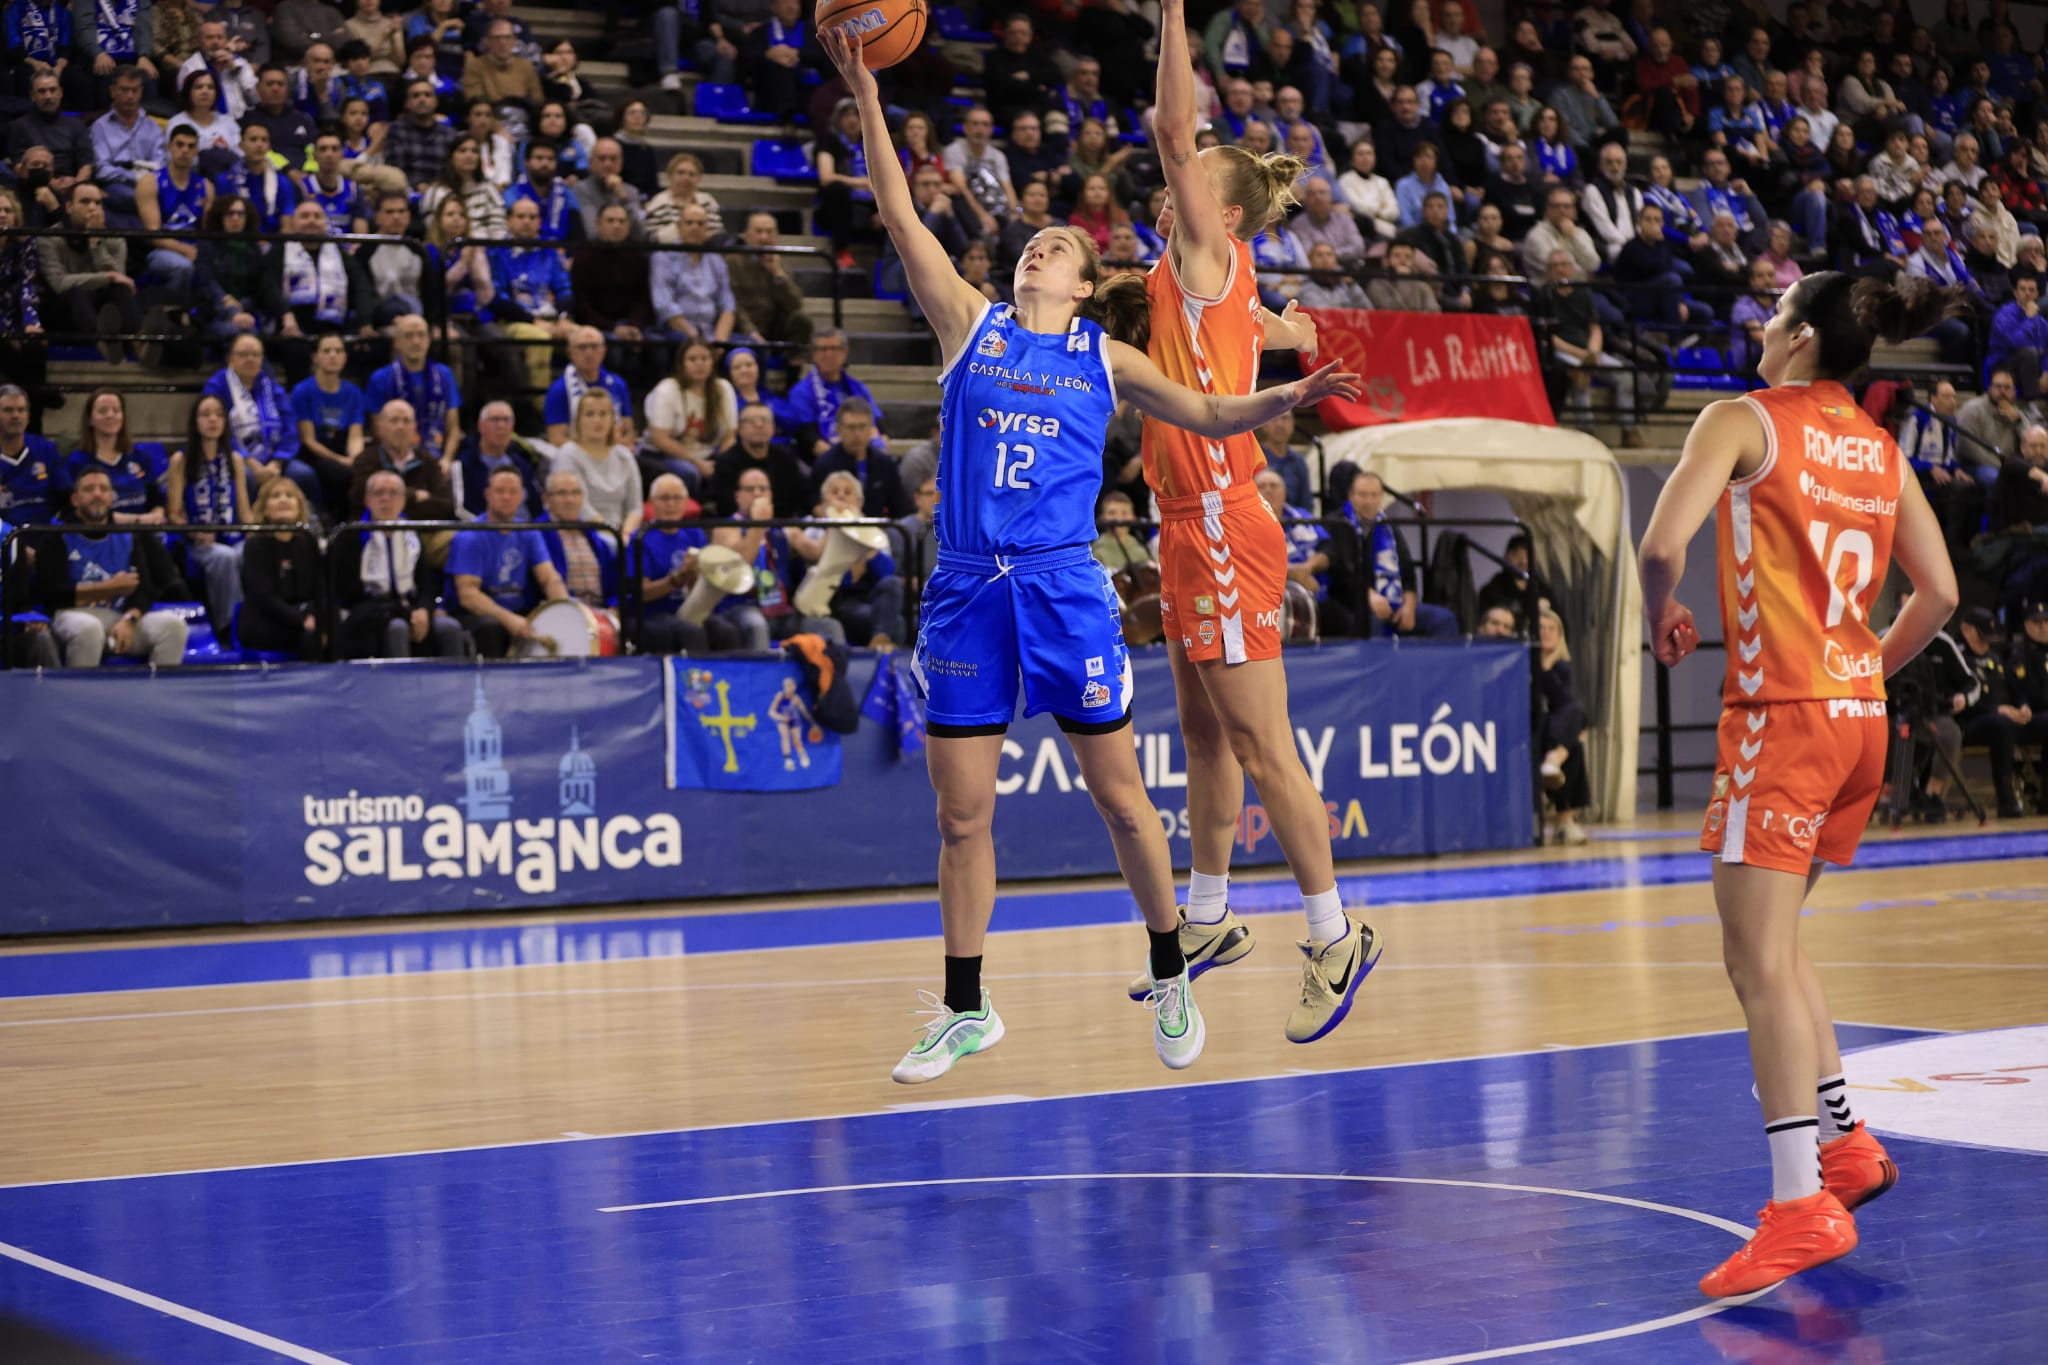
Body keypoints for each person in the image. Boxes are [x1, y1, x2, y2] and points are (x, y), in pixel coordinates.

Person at [819, 23, 1362, 1083]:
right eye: (1032, 241)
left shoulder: (1104, 352)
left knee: (1122, 798)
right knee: (960, 810)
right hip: (969, 591)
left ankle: (1175, 964)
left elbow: (1207, 409)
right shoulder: (966, 325)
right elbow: (894, 211)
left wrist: (1282, 394)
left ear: (1078, 283)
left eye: (1059, 245)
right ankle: (968, 1006)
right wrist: (866, 97)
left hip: (1067, 589)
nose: (1039, 246)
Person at [1637, 272, 1964, 1297]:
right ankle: (1844, 1142)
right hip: (1858, 721)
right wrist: (1864, 663)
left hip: (1779, 718)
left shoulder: (1741, 419)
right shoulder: (1876, 447)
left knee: (1754, 966)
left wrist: (1659, 612)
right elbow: (1940, 593)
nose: (1757, 324)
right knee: (1780, 950)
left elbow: (1659, 545)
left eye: (1772, 312)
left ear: (1797, 338)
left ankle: (1795, 1206)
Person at [31, 466, 190, 668]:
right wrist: (110, 588)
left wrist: (130, 620)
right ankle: (78, 698)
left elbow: (144, 590)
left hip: (119, 616)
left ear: (112, 498)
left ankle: (156, 697)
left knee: (172, 626)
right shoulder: (56, 537)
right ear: (75, 499)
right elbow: (51, 595)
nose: (97, 494)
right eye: (89, 489)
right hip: (72, 617)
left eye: (103, 489)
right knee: (89, 628)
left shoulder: (129, 536)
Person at [330, 467, 467, 659]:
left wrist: (424, 610)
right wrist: (405, 612)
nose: (385, 499)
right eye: (379, 493)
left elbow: (426, 585)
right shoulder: (349, 536)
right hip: (368, 614)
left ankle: (453, 685)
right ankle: (400, 687)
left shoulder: (412, 535)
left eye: (393, 493)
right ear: (367, 499)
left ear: (403, 500)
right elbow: (348, 594)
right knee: (398, 627)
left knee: (449, 628)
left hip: (409, 609)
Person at [448, 466, 570, 657]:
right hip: (476, 614)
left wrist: (565, 609)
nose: (506, 497)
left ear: (522, 496)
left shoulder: (529, 532)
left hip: (518, 609)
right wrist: (510, 620)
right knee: (492, 627)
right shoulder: (470, 536)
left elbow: (549, 577)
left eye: (512, 492)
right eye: (500, 491)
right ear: (488, 494)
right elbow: (468, 595)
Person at [164, 392, 253, 632]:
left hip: (233, 535)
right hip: (199, 541)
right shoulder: (180, 460)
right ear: (195, 421)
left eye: (219, 415)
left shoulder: (235, 459)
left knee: (255, 550)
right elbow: (174, 513)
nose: (213, 420)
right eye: (206, 415)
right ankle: (232, 626)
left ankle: (260, 622)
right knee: (225, 557)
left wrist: (256, 535)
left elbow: (244, 510)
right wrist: (195, 532)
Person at [36, 184, 140, 366]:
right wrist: (107, 277)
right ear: (69, 207)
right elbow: (59, 283)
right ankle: (104, 343)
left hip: (104, 309)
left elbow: (119, 279)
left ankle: (137, 340)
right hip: (66, 311)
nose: (93, 208)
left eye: (97, 203)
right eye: (85, 201)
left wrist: (95, 242)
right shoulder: (50, 238)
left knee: (120, 291)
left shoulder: (115, 238)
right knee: (76, 292)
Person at [238, 475, 326, 657]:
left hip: (302, 618)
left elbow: (319, 589)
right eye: (275, 496)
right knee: (310, 637)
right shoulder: (255, 545)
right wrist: (301, 620)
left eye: (289, 495)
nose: (283, 499)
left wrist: (313, 616)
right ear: (265, 509)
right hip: (265, 620)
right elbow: (264, 597)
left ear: (299, 507)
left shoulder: (308, 543)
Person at [364, 314, 462, 465]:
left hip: (437, 457)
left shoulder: (444, 375)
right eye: (408, 336)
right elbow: (378, 431)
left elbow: (454, 429)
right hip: (395, 461)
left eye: (421, 335)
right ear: (397, 342)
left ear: (429, 340)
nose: (416, 342)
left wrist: (447, 459)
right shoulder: (380, 378)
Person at [643, 340, 735, 491]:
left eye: (704, 359)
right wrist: (697, 462)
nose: (699, 364)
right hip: (663, 455)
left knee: (733, 468)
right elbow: (660, 438)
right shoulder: (667, 390)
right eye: (692, 359)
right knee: (688, 472)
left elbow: (729, 436)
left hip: (709, 455)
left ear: (712, 362)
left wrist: (721, 462)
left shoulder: (723, 389)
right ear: (682, 364)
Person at [552, 388, 643, 541]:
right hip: (584, 533)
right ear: (578, 420)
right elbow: (580, 508)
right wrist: (613, 537)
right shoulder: (568, 454)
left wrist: (625, 535)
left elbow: (635, 508)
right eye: (589, 414)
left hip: (624, 535)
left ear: (612, 419)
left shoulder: (624, 455)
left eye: (603, 414)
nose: (597, 420)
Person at [1535, 606, 1592, 844]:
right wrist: (1542, 668)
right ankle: (1565, 820)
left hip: (1550, 732)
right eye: (1541, 629)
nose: (1547, 633)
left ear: (1560, 636)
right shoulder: (1521, 663)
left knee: (1571, 734)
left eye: (1552, 629)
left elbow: (1561, 701)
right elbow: (1567, 708)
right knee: (1575, 724)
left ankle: (1554, 759)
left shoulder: (1562, 668)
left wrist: (1547, 669)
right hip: (1531, 727)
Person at [347, 400, 455, 519]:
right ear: (380, 427)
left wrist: (394, 505)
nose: (401, 427)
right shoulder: (365, 460)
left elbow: (445, 504)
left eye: (406, 421)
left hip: (422, 531)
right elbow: (361, 498)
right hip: (375, 530)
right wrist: (414, 496)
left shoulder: (429, 461)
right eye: (394, 420)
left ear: (415, 427)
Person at [784, 329, 883, 459]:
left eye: (834, 348)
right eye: (823, 349)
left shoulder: (859, 388)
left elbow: (881, 430)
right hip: (823, 462)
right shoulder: (801, 392)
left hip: (864, 457)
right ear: (813, 355)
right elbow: (810, 440)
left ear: (844, 353)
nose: (829, 354)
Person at [807, 398, 908, 520]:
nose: (857, 434)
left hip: (879, 530)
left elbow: (900, 508)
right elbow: (813, 505)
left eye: (862, 427)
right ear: (839, 430)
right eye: (851, 427)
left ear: (871, 429)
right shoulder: (824, 465)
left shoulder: (885, 464)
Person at [453, 400, 547, 520]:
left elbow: (537, 508)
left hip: (526, 532)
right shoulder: (463, 464)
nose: (501, 426)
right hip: (484, 531)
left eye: (506, 420)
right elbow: (461, 509)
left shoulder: (523, 464)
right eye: (495, 420)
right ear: (480, 426)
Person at [542, 327, 632, 448]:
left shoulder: (618, 384)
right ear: (570, 352)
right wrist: (595, 450)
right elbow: (557, 439)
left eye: (594, 346)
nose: (589, 353)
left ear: (604, 351)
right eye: (582, 347)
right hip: (576, 456)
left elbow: (628, 431)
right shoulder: (558, 390)